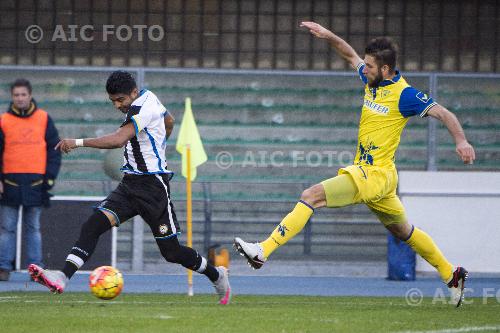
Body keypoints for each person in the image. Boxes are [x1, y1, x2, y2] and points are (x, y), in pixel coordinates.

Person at [234, 21, 475, 307]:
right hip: (381, 178)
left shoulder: (406, 95)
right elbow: (349, 54)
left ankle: (263, 250)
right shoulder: (372, 79)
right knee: (403, 231)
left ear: (385, 70)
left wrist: (461, 141)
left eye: (370, 66)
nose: (365, 69)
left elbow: (445, 114)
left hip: (372, 174)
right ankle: (451, 274)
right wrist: (328, 35)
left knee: (310, 196)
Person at [28, 71, 231, 304]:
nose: (117, 105)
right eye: (113, 101)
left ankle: (217, 274)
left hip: (153, 187)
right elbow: (170, 120)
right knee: (93, 225)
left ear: (134, 93)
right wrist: (157, 144)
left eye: (120, 100)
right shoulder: (148, 98)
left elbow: (118, 139)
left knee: (171, 252)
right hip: (130, 184)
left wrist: (78, 142)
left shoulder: (143, 108)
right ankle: (63, 276)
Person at [0, 79, 61, 281]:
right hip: (9, 183)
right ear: (12, 96)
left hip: (36, 183)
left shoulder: (44, 118)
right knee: (7, 228)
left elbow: (55, 150)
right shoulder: (3, 120)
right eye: (16, 95)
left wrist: (49, 178)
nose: (20, 98)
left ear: (30, 95)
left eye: (23, 94)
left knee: (33, 228)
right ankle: (3, 268)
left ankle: (37, 270)